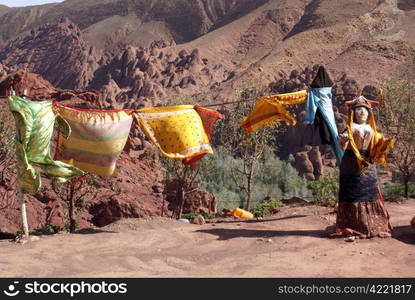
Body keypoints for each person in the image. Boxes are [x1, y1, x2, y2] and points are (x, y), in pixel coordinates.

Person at [336, 96, 394, 238]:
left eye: (365, 110)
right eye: (359, 109)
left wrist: (385, 144)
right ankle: (352, 226)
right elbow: (342, 145)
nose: (362, 112)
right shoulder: (349, 128)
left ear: (369, 113)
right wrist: (342, 140)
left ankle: (373, 226)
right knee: (351, 192)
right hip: (351, 163)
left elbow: (378, 147)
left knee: (370, 191)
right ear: (353, 112)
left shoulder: (372, 129)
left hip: (368, 163)